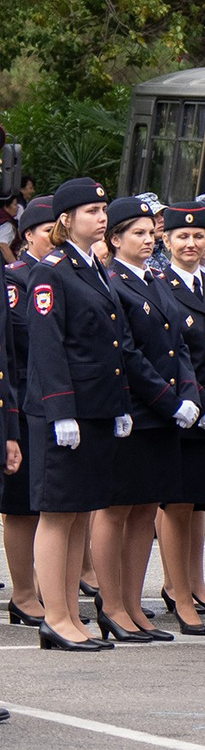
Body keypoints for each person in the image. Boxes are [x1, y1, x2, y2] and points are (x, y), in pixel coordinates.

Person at [23, 179, 136, 652]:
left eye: (104, 208)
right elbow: (48, 347)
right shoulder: (53, 271)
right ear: (66, 219)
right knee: (57, 514)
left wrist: (119, 404)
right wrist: (60, 411)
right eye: (91, 209)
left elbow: (111, 345)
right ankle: (55, 616)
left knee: (77, 514)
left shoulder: (92, 267)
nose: (101, 216)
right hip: (64, 411)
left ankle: (70, 611)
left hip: (95, 407)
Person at [98, 196, 198, 641]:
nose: (147, 239)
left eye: (149, 231)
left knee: (143, 511)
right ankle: (112, 604)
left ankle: (135, 605)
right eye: (135, 233)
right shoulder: (113, 281)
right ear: (114, 239)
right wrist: (168, 400)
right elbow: (127, 353)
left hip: (165, 412)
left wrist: (190, 392)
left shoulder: (156, 278)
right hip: (135, 410)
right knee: (115, 509)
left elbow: (180, 344)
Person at [147, 203, 205, 631]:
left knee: (199, 505)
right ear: (167, 240)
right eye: (182, 237)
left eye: (199, 236)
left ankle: (195, 583)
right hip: (184, 407)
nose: (192, 243)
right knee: (176, 506)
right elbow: (176, 352)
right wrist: (198, 400)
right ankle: (177, 590)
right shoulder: (160, 286)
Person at [4, 198, 59, 627]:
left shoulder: (62, 276)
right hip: (20, 403)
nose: (54, 238)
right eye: (47, 231)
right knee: (21, 506)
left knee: (52, 504)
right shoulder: (16, 281)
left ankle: (46, 585)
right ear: (27, 236)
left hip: (51, 403)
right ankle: (23, 592)